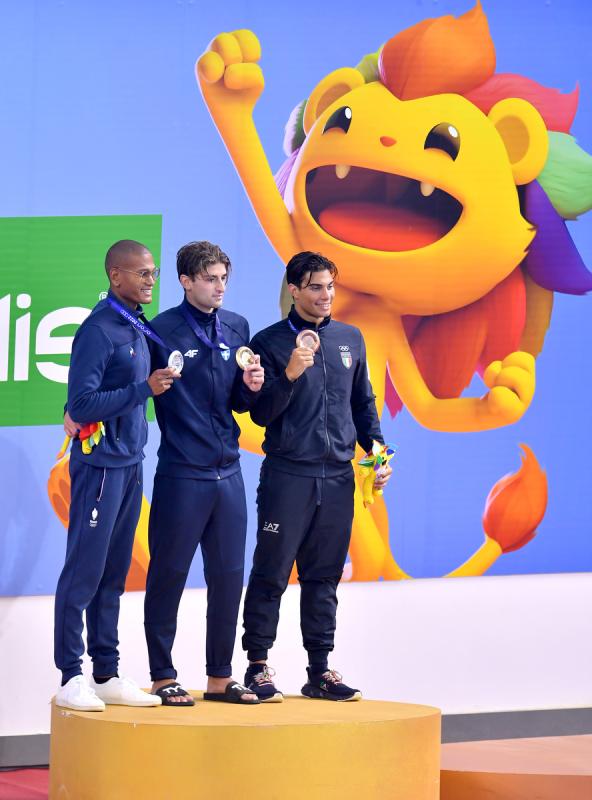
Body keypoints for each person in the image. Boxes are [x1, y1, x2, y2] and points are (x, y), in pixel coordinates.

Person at [242, 251, 391, 703]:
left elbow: (363, 405)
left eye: (330, 286)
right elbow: (261, 411)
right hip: (289, 474)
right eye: (315, 287)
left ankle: (320, 670)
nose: (325, 296)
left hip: (339, 477)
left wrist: (379, 454)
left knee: (324, 577)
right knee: (270, 573)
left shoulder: (350, 338)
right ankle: (258, 666)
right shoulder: (269, 342)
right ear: (293, 289)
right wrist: (288, 374)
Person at [55, 240, 177, 711]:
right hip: (99, 467)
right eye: (141, 273)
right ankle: (71, 675)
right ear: (115, 276)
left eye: (153, 272)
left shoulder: (136, 324)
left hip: (130, 464)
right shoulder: (98, 331)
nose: (150, 280)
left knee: (114, 574)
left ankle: (106, 673)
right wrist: (141, 389)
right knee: (82, 573)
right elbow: (80, 404)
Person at [144, 241, 264, 706]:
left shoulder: (236, 326)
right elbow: (146, 390)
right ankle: (161, 675)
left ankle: (219, 677)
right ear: (186, 281)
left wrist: (252, 388)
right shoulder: (160, 331)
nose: (219, 287)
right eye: (210, 278)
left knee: (230, 576)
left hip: (228, 473)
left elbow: (238, 401)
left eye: (224, 279)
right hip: (182, 474)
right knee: (169, 574)